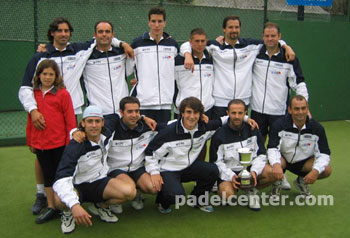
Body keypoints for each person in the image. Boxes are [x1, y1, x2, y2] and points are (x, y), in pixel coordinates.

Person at [19, 17, 132, 214]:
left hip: (75, 111)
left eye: (66, 31)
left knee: (74, 153)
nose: (63, 34)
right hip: (46, 114)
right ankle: (42, 195)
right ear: (52, 33)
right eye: (59, 31)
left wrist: (121, 43)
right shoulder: (40, 57)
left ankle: (78, 193)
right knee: (44, 154)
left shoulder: (80, 50)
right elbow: (25, 88)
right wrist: (33, 109)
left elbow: (103, 38)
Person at [180, 15, 295, 119]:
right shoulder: (214, 46)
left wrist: (286, 46)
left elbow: (271, 40)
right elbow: (188, 43)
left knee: (240, 136)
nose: (234, 30)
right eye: (230, 27)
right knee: (218, 134)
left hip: (242, 100)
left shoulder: (251, 45)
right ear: (224, 29)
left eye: (236, 27)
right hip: (220, 101)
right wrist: (187, 54)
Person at [53, 106, 136, 234]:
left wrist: (143, 118)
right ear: (83, 123)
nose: (94, 125)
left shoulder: (107, 131)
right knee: (59, 199)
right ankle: (67, 212)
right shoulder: (76, 145)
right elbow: (61, 179)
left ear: (103, 123)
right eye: (89, 121)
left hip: (99, 182)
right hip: (78, 187)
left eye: (97, 121)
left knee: (130, 192)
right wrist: (74, 206)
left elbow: (117, 115)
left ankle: (100, 206)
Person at [72, 97, 160, 214]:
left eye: (136, 111)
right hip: (116, 169)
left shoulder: (147, 126)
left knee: (154, 187)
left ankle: (137, 193)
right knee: (129, 190)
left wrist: (143, 117)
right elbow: (94, 127)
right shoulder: (112, 125)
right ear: (121, 112)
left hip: (137, 168)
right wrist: (75, 131)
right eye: (129, 112)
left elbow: (169, 127)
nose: (134, 115)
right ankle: (102, 205)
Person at [250, 22, 309, 190]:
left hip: (279, 111)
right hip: (257, 110)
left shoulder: (289, 57)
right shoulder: (256, 52)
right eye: (267, 36)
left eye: (273, 36)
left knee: (279, 146)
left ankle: (280, 177)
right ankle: (258, 175)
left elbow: (299, 82)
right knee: (258, 145)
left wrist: (304, 104)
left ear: (279, 36)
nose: (270, 39)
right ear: (263, 37)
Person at [145, 97, 229, 213]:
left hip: (188, 167)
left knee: (212, 170)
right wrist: (154, 172)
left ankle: (198, 200)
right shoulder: (169, 131)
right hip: (168, 169)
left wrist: (245, 118)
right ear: (182, 113)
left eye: (196, 113)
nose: (192, 116)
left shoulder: (204, 127)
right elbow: (150, 152)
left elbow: (223, 120)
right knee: (176, 195)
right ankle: (163, 202)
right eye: (188, 112)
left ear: (200, 114)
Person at [26, 59, 76, 223]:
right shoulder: (33, 95)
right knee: (47, 175)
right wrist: (31, 141)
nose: (47, 77)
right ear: (39, 75)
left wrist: (70, 142)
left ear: (56, 77)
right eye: (44, 74)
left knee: (61, 176)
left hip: (60, 144)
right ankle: (52, 207)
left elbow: (70, 120)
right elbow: (30, 120)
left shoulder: (63, 94)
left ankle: (65, 206)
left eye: (51, 74)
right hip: (41, 144)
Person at [210, 99, 275, 211]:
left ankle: (251, 192)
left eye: (240, 113)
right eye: (233, 113)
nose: (236, 116)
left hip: (249, 170)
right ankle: (226, 188)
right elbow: (216, 162)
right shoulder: (219, 135)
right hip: (230, 172)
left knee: (272, 172)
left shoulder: (253, 129)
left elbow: (261, 155)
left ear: (245, 113)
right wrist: (231, 176)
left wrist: (254, 171)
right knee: (227, 195)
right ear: (228, 113)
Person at [267, 95, 332, 201]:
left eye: (303, 108)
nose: (300, 112)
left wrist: (316, 170)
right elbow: (272, 148)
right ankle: (276, 183)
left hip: (303, 163)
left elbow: (324, 153)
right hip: (283, 160)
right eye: (296, 109)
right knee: (269, 169)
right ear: (290, 110)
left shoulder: (317, 128)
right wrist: (276, 164)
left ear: (307, 109)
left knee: (326, 170)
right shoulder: (279, 125)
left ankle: (301, 182)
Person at [130, 7, 179, 123]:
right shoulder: (137, 43)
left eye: (160, 21)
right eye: (153, 21)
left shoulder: (172, 44)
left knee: (162, 138)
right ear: (149, 22)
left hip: (165, 103)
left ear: (164, 23)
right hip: (144, 102)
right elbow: (128, 68)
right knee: (143, 138)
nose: (156, 25)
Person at [82, 20, 133, 129]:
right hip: (99, 115)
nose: (104, 34)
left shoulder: (121, 52)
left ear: (112, 35)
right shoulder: (85, 55)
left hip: (122, 113)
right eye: (100, 32)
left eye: (107, 31)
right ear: (95, 35)